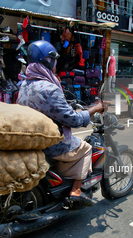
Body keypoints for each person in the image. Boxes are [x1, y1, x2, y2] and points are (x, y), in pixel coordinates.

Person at [17, 40, 104, 207]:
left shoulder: (25, 84)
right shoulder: (49, 88)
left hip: (32, 140)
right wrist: (95, 108)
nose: (56, 63)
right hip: (51, 144)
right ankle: (76, 190)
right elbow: (74, 120)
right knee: (86, 148)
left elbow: (50, 109)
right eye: (54, 60)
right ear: (48, 61)